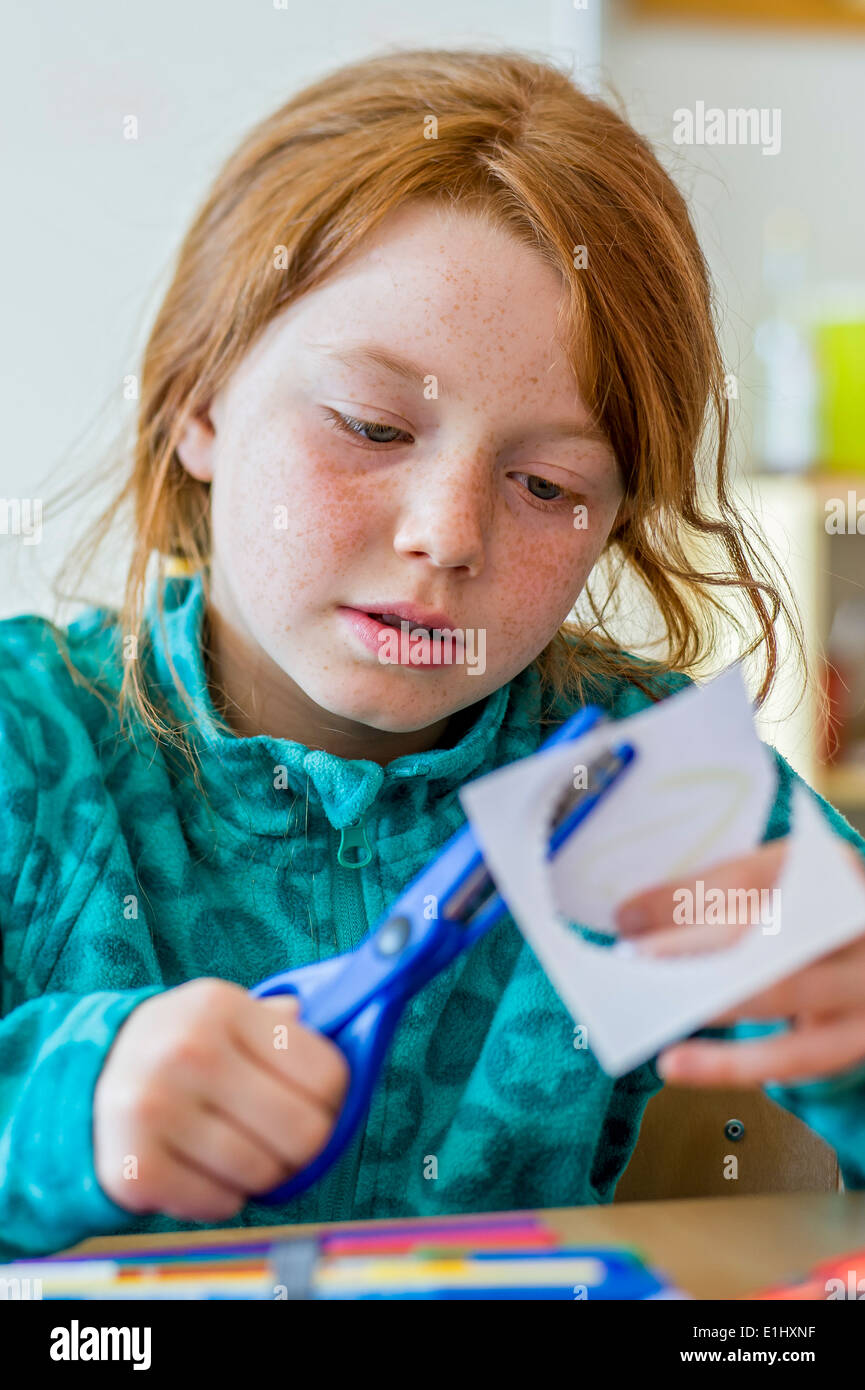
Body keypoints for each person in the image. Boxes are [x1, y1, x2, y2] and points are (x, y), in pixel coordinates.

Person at [1, 47, 863, 1260]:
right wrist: (62, 1108)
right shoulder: (21, 740)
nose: (447, 535)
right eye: (370, 426)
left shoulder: (637, 788)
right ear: (197, 398)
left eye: (546, 482)